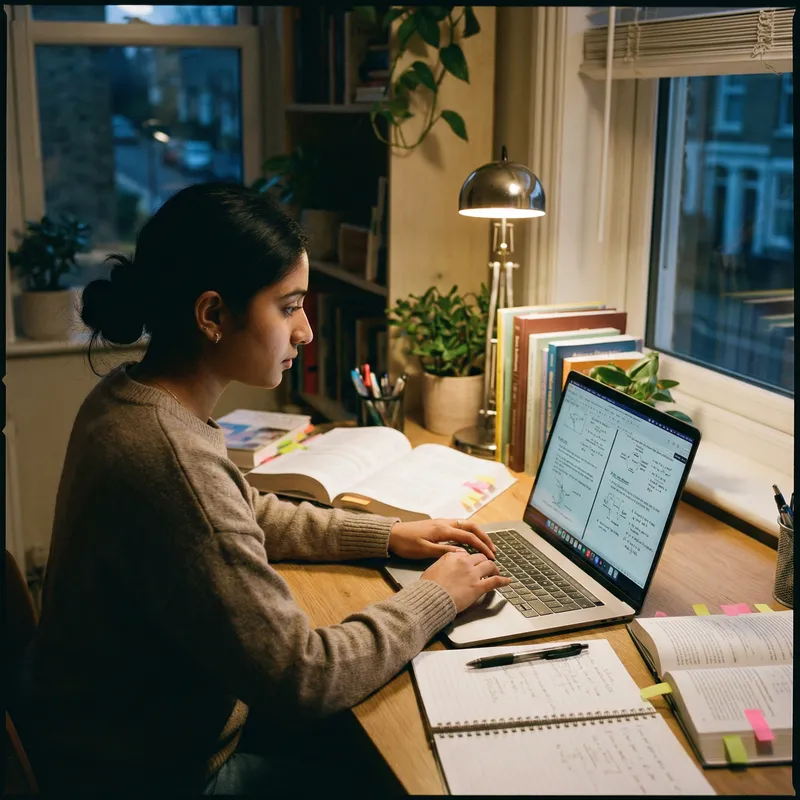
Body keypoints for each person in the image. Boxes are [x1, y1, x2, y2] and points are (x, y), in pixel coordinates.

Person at [11, 183, 512, 796]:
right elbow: (305, 676)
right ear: (213, 315)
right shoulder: (167, 456)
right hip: (148, 771)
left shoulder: (134, 398)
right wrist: (435, 597)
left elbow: (242, 512)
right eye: (289, 306)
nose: (305, 331)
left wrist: (388, 534)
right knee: (410, 772)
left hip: (123, 730)